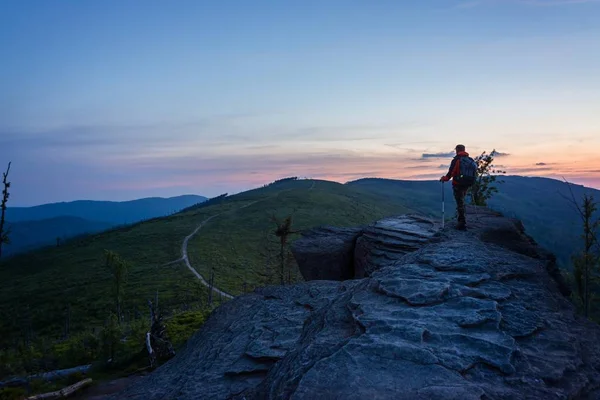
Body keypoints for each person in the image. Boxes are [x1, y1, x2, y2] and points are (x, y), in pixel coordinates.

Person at [440, 144, 475, 230]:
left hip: (457, 183)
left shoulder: (456, 160)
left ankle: (461, 223)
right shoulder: (470, 160)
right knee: (462, 200)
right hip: (467, 183)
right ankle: (462, 220)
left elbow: (450, 173)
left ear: (457, 150)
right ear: (464, 150)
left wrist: (444, 178)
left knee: (460, 202)